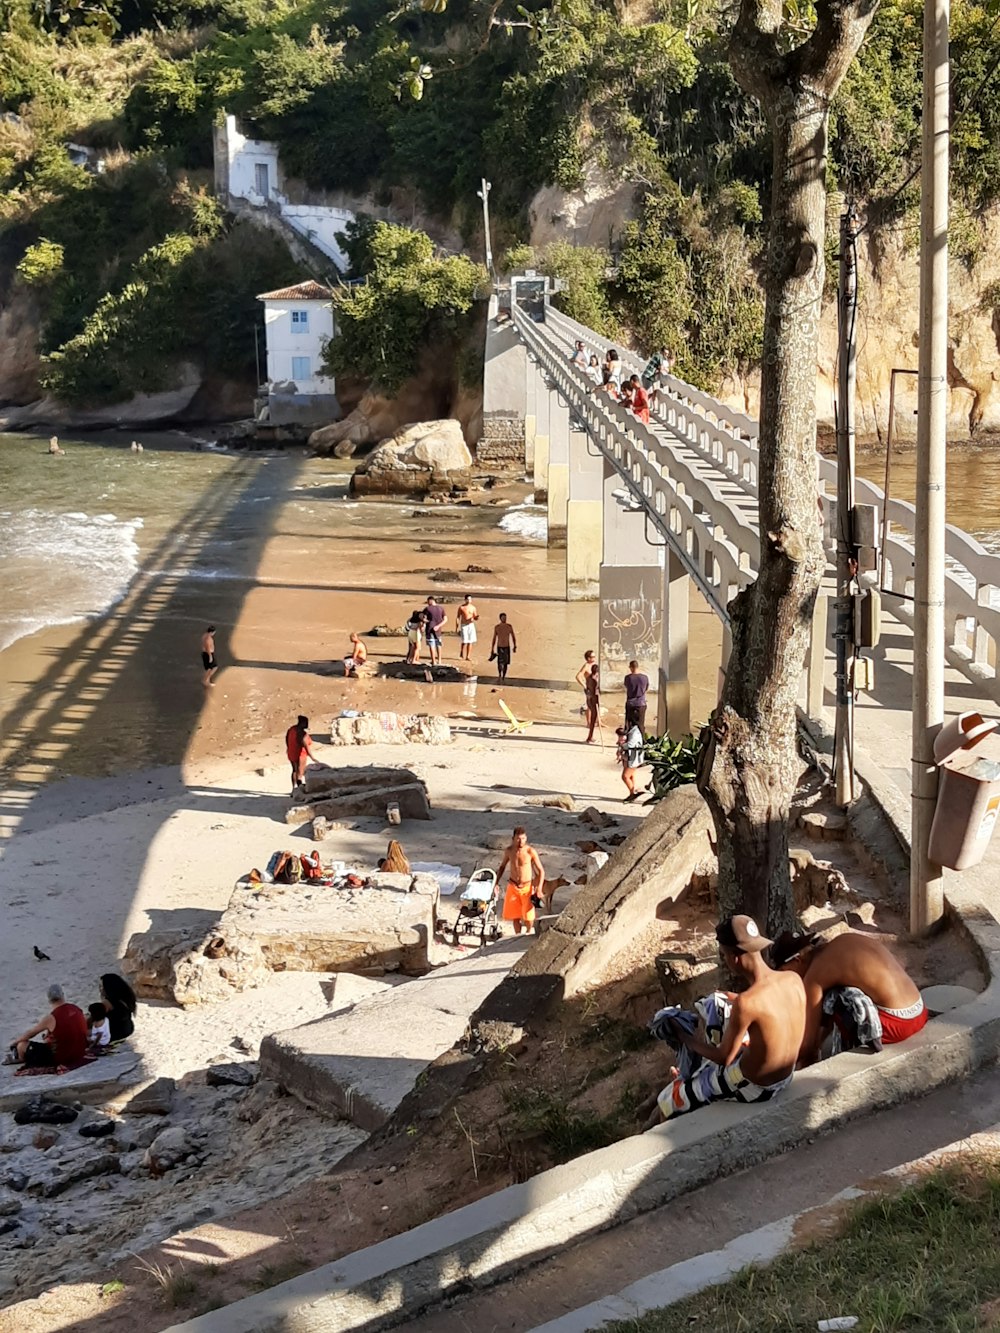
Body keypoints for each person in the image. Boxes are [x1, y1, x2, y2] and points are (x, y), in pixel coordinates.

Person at [648, 916, 806, 1123]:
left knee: (669, 1102)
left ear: (734, 958)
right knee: (713, 1058)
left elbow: (724, 1057)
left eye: (724, 954)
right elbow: (773, 1013)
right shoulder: (792, 979)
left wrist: (683, 1037)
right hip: (787, 1076)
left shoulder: (748, 1003)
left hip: (756, 1087)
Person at [771, 929, 928, 1065]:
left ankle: (850, 1052)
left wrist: (775, 1060)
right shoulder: (844, 940)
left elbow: (807, 1044)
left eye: (784, 971)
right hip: (919, 1010)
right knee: (833, 996)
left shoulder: (815, 975)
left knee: (838, 1001)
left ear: (797, 960)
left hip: (898, 1025)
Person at [8, 984, 89, 1069]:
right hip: (80, 1052)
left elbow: (30, 1034)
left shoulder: (51, 1017)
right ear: (62, 995)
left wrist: (15, 1042)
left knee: (22, 1045)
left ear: (49, 1000)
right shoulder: (76, 1008)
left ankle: (20, 1059)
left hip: (62, 1058)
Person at [497, 827, 545, 935]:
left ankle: (528, 932)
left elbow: (541, 871)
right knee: (515, 915)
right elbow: (502, 867)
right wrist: (495, 882)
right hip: (513, 885)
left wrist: (539, 888)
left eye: (523, 838)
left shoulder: (530, 851)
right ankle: (517, 935)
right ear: (513, 838)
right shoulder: (509, 851)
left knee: (528, 916)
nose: (521, 841)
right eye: (518, 839)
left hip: (527, 887)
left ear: (526, 838)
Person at [98, 973, 137, 1042]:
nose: (100, 989)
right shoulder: (126, 998)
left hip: (115, 1033)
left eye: (102, 987)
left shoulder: (107, 1003)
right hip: (127, 1029)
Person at [285, 715, 318, 792]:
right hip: (300, 754)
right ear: (302, 723)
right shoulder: (302, 734)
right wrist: (312, 757)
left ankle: (293, 788)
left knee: (294, 770)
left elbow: (287, 739)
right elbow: (306, 746)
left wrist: (289, 747)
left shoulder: (291, 729)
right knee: (300, 773)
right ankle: (299, 789)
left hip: (291, 752)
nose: (307, 724)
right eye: (306, 723)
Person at [575, 650, 600, 743]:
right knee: (590, 707)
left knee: (594, 709)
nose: (594, 658)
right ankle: (589, 724)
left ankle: (594, 725)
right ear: (588, 658)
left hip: (595, 690)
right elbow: (578, 676)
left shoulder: (595, 665)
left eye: (594, 657)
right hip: (590, 690)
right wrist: (585, 686)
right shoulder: (586, 666)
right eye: (592, 657)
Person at [616, 722, 646, 801]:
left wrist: (622, 747)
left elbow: (630, 745)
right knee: (631, 776)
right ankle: (633, 792)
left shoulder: (634, 732)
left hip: (633, 758)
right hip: (630, 757)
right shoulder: (631, 730)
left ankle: (633, 793)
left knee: (625, 776)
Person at [624, 659, 650, 734]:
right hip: (641, 703)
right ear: (638, 667)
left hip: (630, 703)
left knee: (629, 724)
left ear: (631, 667)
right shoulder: (645, 677)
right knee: (641, 724)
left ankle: (628, 741)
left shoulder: (628, 678)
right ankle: (641, 741)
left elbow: (627, 686)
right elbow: (646, 688)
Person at [490, 613, 516, 682]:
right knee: (499, 662)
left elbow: (513, 636)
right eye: (503, 617)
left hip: (507, 647)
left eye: (505, 617)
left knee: (506, 663)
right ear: (500, 618)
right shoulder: (497, 627)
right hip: (500, 646)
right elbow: (494, 638)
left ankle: (504, 676)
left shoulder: (509, 626)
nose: (504, 619)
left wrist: (514, 645)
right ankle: (499, 674)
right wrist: (492, 648)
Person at [423, 596, 447, 667]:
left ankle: (433, 661)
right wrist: (438, 626)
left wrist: (426, 622)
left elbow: (422, 617)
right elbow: (445, 619)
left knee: (432, 645)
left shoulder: (427, 609)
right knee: (438, 645)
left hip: (429, 629)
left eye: (428, 602)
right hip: (438, 630)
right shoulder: (441, 608)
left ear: (430, 601)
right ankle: (439, 660)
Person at [456, 594, 479, 661]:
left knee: (470, 641)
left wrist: (476, 618)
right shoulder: (461, 607)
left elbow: (475, 616)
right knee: (464, 641)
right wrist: (457, 627)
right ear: (465, 599)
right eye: (467, 599)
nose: (469, 600)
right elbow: (458, 617)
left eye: (470, 599)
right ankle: (461, 652)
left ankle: (468, 656)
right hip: (464, 625)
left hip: (471, 625)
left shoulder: (473, 608)